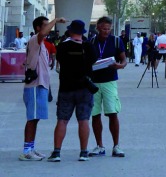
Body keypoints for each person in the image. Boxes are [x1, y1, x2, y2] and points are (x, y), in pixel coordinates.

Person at [48, 19, 97, 163]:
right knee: (84, 120)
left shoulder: (63, 46)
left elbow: (61, 61)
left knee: (62, 120)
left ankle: (56, 152)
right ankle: (83, 152)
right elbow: (93, 61)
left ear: (70, 31)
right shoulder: (88, 46)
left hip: (66, 88)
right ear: (83, 32)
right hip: (85, 88)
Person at [20, 16, 63, 161]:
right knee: (32, 118)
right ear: (38, 28)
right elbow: (44, 33)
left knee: (36, 118)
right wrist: (55, 20)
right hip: (34, 86)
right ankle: (26, 150)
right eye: (45, 25)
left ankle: (31, 148)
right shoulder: (35, 40)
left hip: (41, 85)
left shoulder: (42, 44)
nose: (48, 28)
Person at [88, 16, 127, 157]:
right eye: (104, 29)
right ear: (97, 27)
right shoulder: (91, 41)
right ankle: (99, 146)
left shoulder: (116, 40)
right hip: (93, 82)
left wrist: (120, 66)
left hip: (110, 81)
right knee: (95, 114)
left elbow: (123, 59)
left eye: (108, 29)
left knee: (112, 113)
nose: (106, 31)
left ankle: (116, 146)